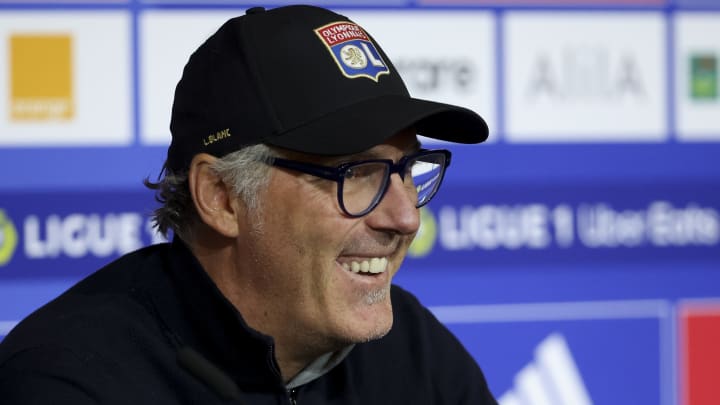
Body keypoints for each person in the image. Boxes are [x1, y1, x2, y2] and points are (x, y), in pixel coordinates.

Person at [0, 5, 496, 404]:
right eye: (356, 174)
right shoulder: (67, 381)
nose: (406, 217)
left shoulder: (412, 350)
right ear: (221, 198)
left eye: (406, 170)